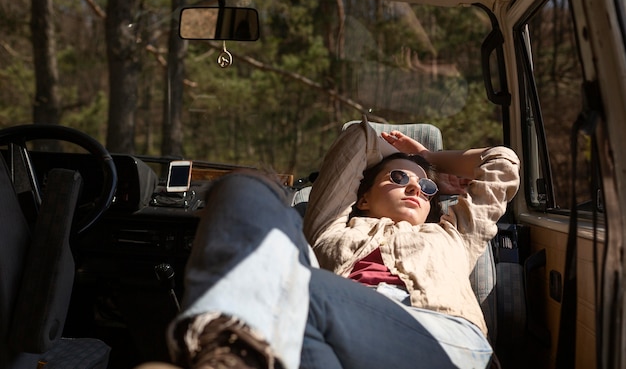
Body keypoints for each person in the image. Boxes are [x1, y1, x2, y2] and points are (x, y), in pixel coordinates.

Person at [163, 119, 520, 369]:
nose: (416, 188)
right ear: (361, 198)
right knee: (244, 188)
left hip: (443, 340)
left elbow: (502, 162)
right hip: (334, 327)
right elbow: (358, 138)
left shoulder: (455, 235)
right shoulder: (332, 227)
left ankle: (216, 352)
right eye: (399, 178)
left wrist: (428, 158)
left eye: (427, 188)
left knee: (293, 288)